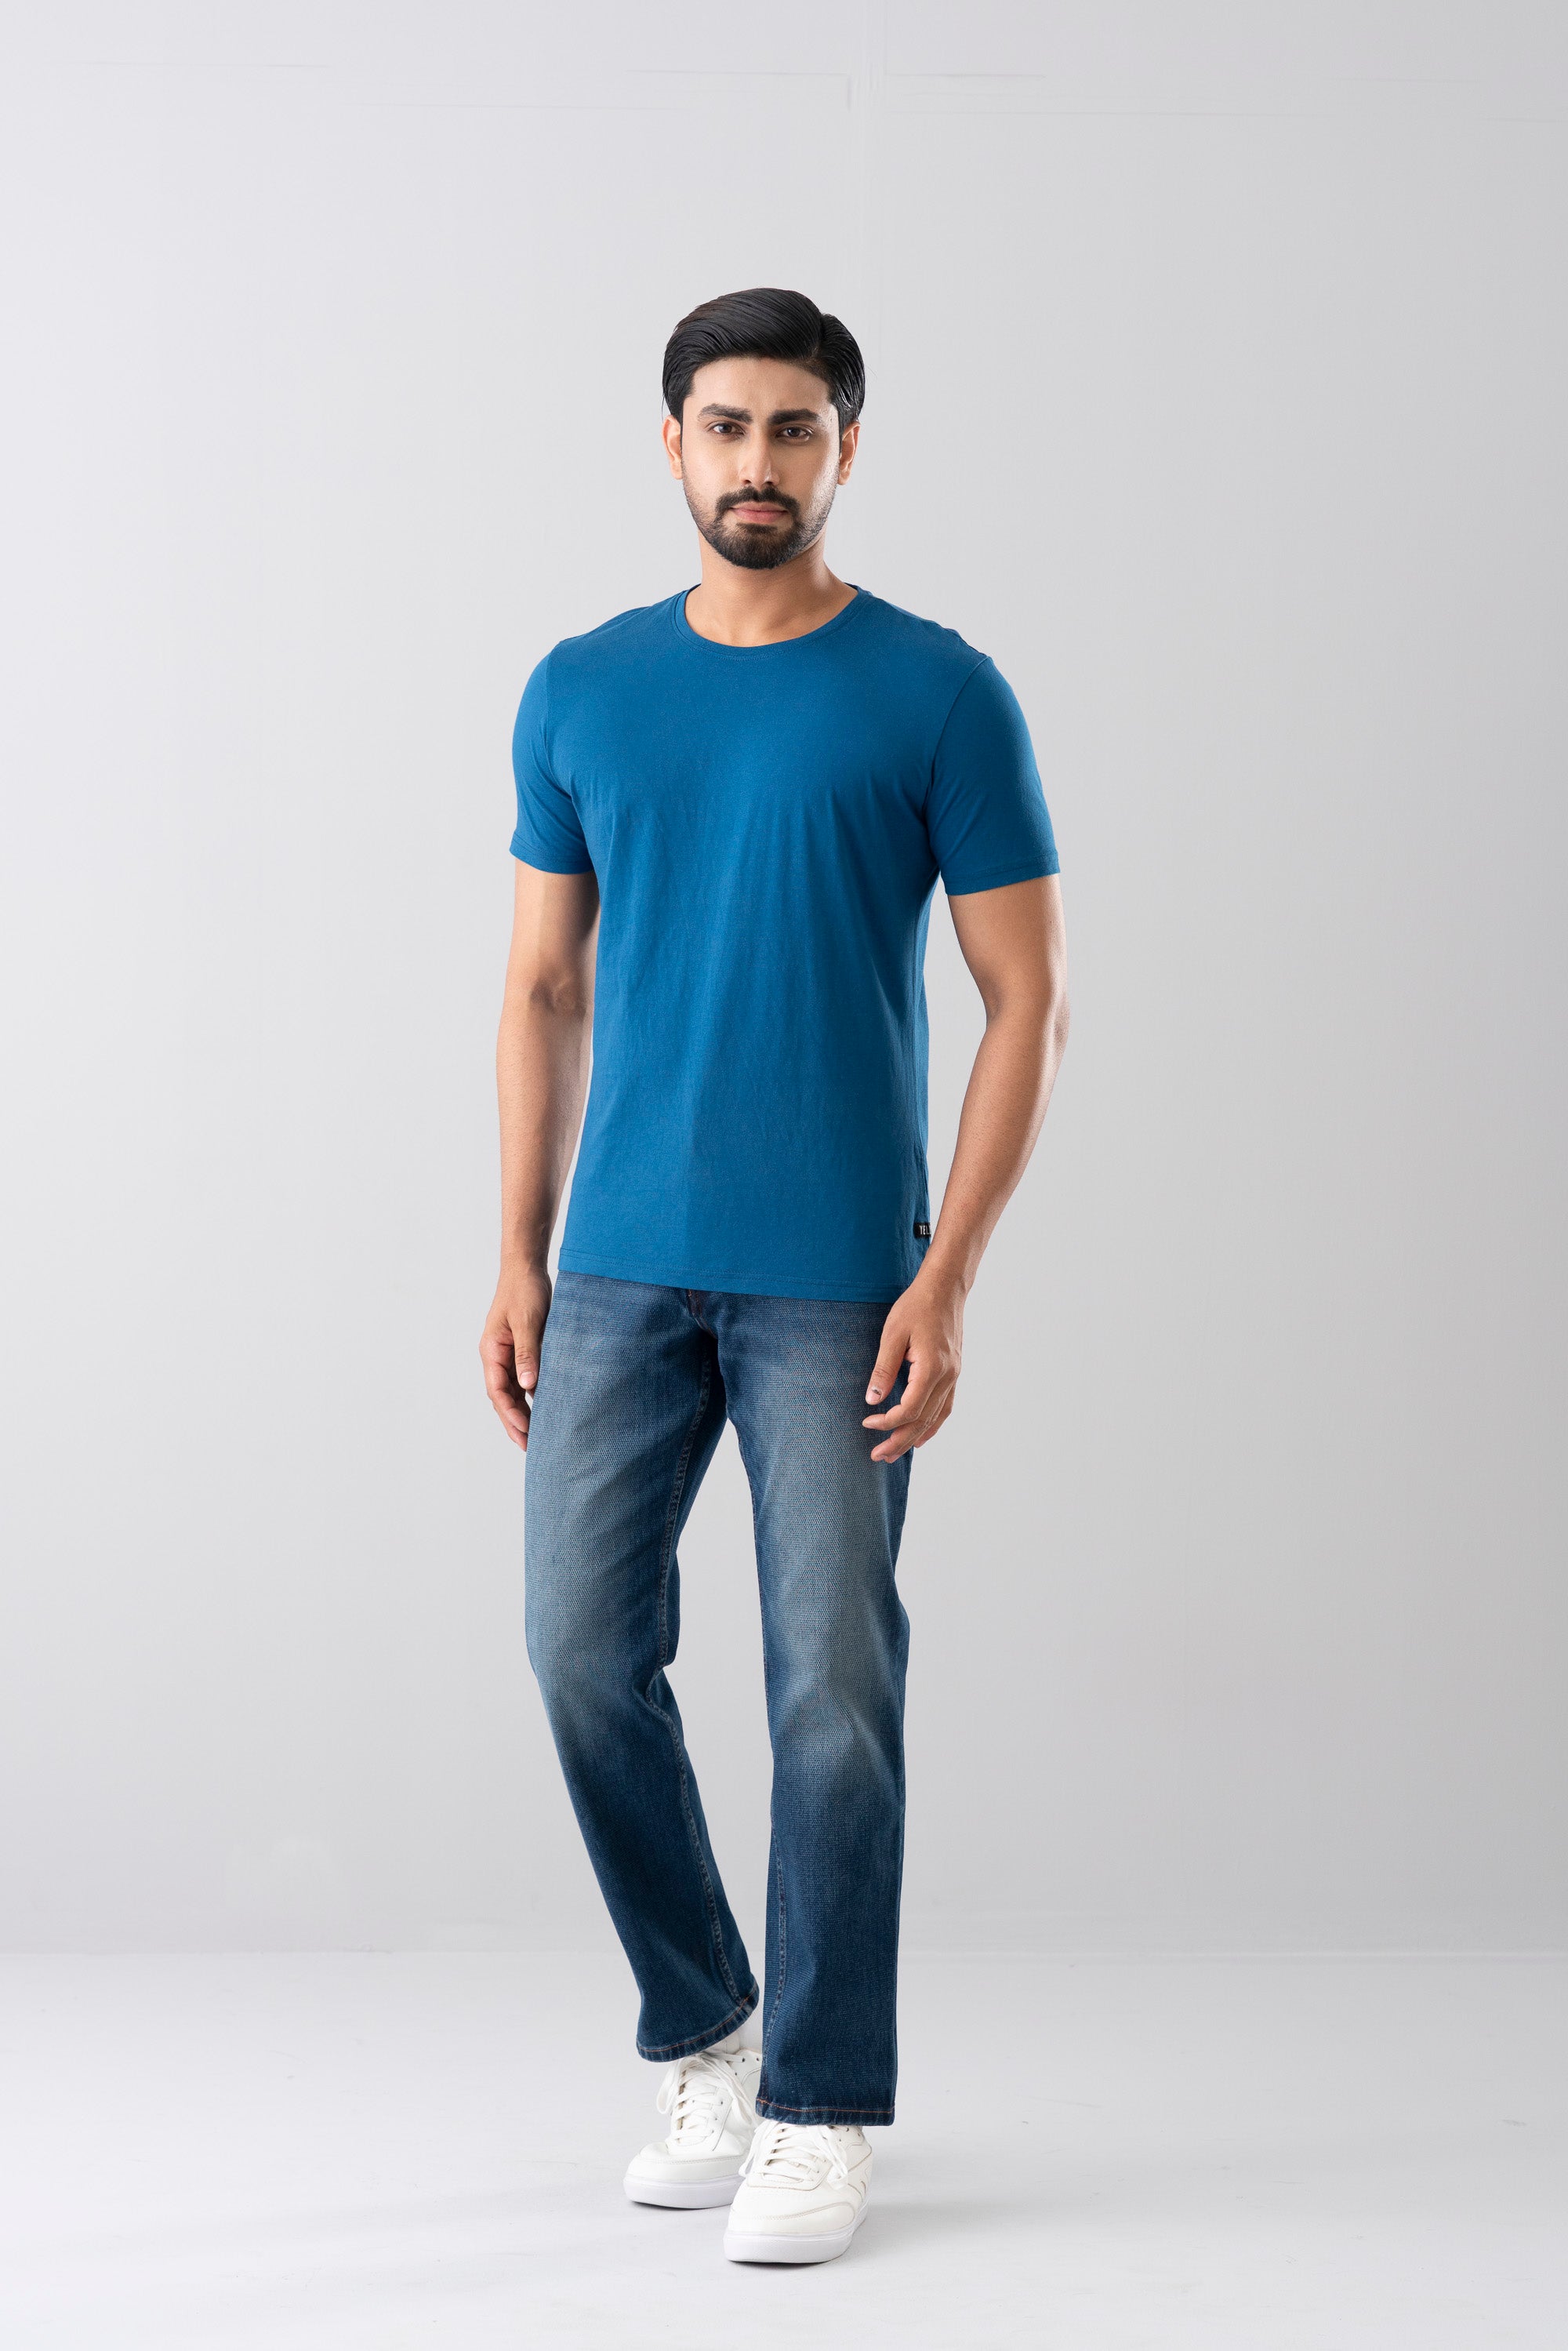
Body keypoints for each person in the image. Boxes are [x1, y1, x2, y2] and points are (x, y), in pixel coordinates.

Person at [481, 287, 1069, 2266]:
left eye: (794, 429)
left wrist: (948, 1271)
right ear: (672, 443)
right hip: (617, 1270)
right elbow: (542, 986)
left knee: (831, 1689)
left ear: (844, 450)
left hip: (836, 1278)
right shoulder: (581, 688)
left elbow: (1023, 998)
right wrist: (515, 1248)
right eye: (725, 425)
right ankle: (704, 2030)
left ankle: (821, 2104)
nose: (758, 462)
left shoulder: (936, 692)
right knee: (578, 1652)